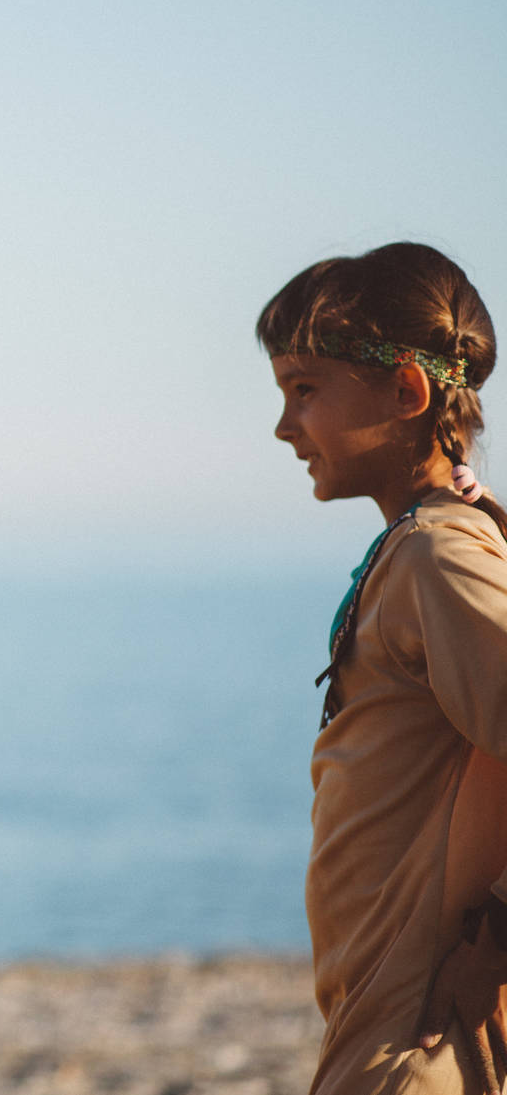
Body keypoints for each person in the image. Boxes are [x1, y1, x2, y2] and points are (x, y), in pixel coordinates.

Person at [260, 241, 507, 1094]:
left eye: (304, 389)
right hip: (380, 1021)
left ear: (407, 391)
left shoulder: (442, 552)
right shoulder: (415, 548)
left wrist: (500, 938)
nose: (286, 426)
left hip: (418, 1040)